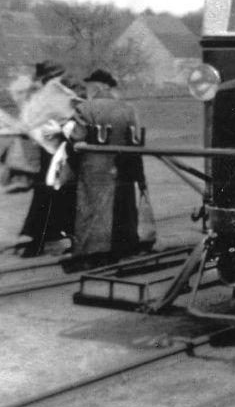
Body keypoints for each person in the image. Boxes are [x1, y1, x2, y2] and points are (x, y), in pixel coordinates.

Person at [66, 69, 150, 265]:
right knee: (122, 209)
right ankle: (122, 249)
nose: (88, 89)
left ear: (98, 86)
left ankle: (91, 254)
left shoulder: (84, 109)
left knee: (92, 210)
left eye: (90, 85)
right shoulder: (128, 109)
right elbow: (135, 140)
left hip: (94, 169)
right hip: (124, 166)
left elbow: (77, 138)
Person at [16, 61, 79, 257]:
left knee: (47, 192)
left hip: (47, 151)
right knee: (59, 192)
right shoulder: (56, 93)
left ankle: (40, 238)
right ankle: (52, 236)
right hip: (59, 151)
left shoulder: (38, 96)